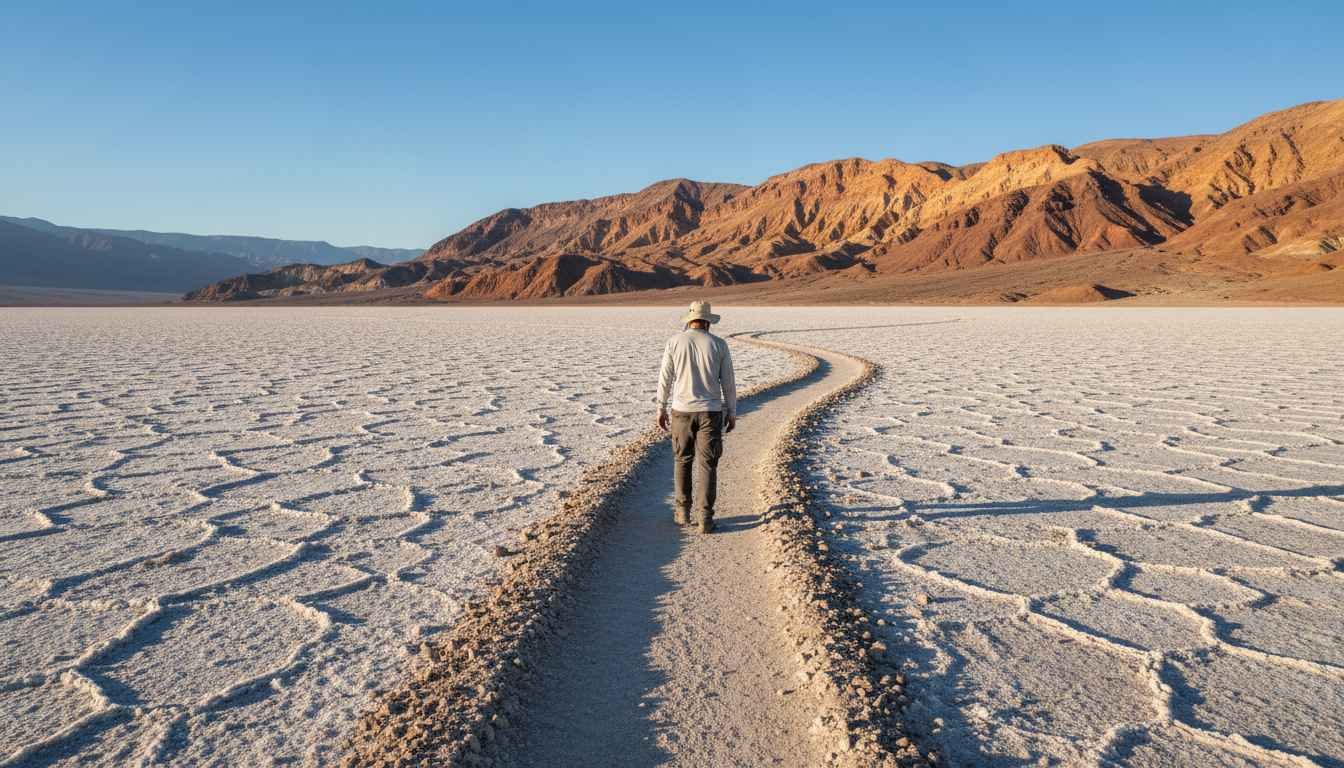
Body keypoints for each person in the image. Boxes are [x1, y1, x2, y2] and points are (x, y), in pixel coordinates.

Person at [656, 300, 737, 533]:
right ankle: (705, 518)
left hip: (681, 411)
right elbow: (728, 383)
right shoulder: (719, 344)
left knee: (682, 460)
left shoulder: (674, 342)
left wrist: (660, 408)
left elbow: (665, 379)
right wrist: (732, 412)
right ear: (708, 322)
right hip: (710, 412)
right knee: (708, 465)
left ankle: (682, 512)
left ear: (689, 320)